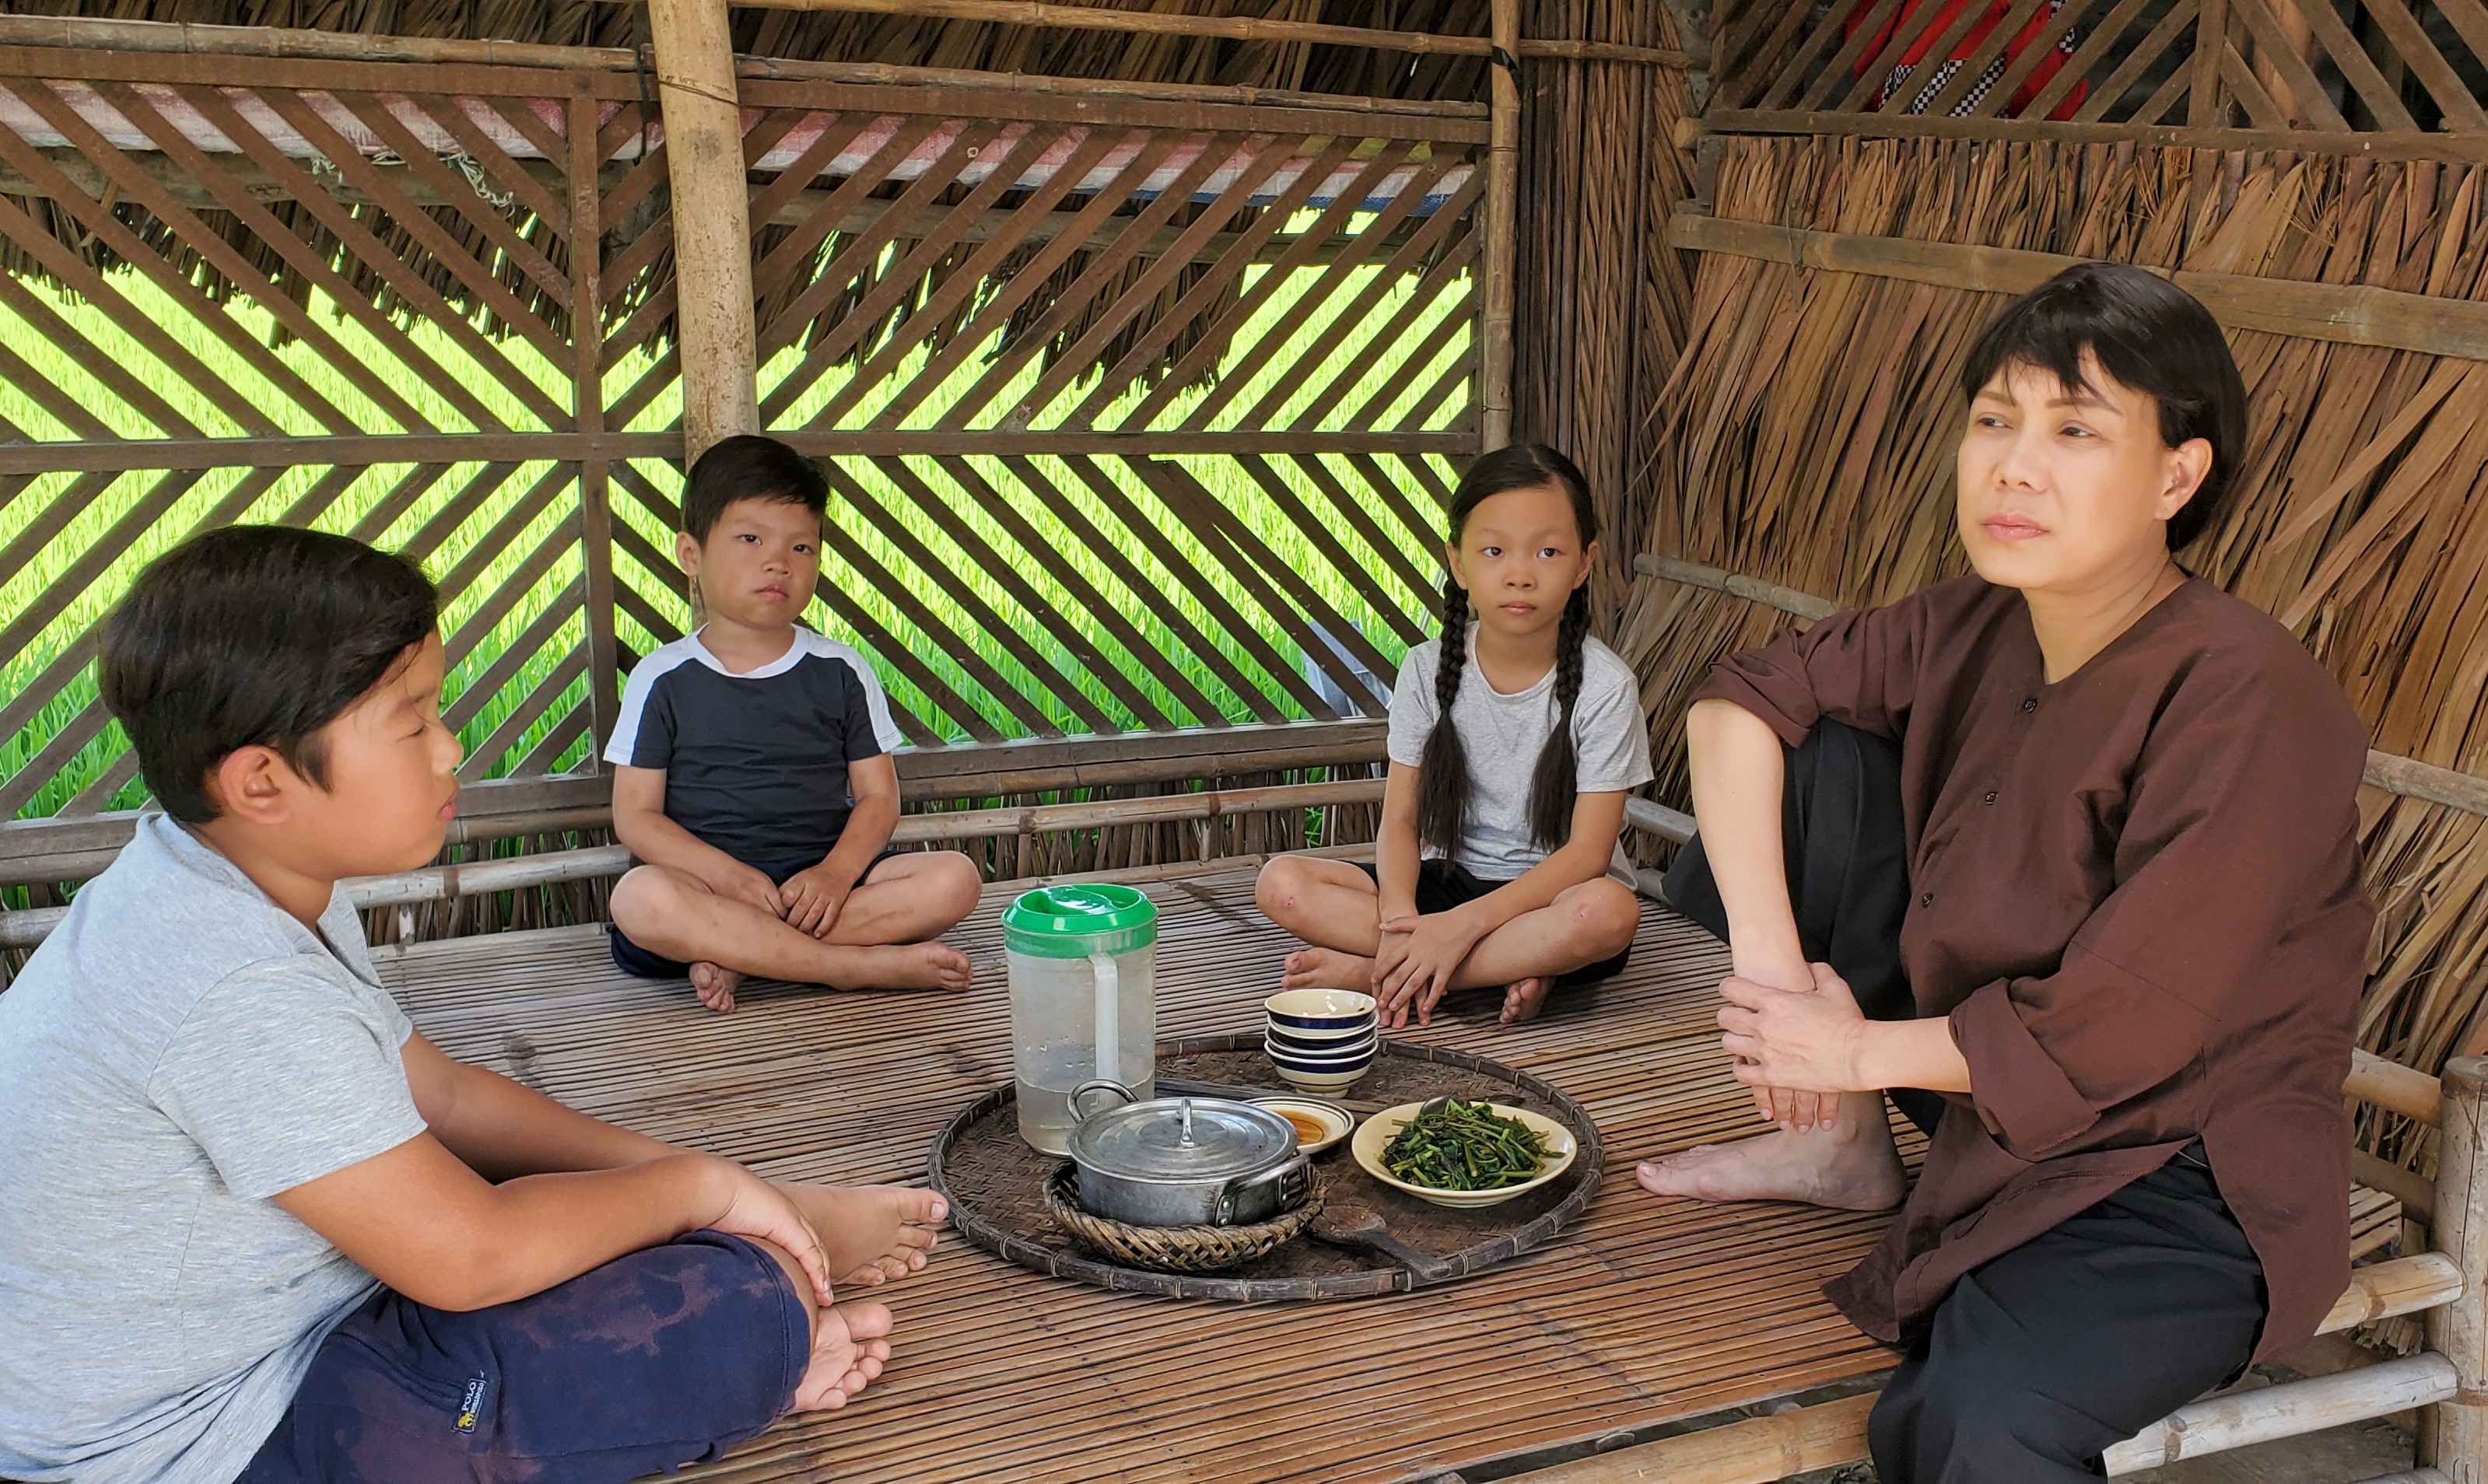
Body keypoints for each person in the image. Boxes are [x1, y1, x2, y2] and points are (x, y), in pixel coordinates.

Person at [0, 527, 948, 1484]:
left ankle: (765, 1296)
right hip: (194, 1436)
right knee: (743, 1298)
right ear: (262, 782)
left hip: (307, 1312)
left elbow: (444, 1098)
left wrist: (728, 1189)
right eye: (414, 723)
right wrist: (708, 1196)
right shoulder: (232, 984)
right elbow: (468, 1257)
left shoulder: (244, 881)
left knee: (679, 1244)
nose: (452, 745)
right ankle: (773, 1337)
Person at [1637, 264, 2374, 1481]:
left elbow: (2124, 1024)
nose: (2012, 468)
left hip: (2177, 1170)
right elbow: (1739, 700)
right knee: (1814, 753)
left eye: (2073, 431)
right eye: (1993, 420)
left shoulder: (2249, 694)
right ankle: (1841, 1149)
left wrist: (1849, 1051)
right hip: (1980, 1103)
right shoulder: (1975, 618)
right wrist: (1775, 980)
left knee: (1980, 1414)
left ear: (2175, 477)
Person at [1256, 444, 1649, 1028]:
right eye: (1494, 551)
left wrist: (1462, 927)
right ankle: (1499, 967)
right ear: (1459, 562)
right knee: (1282, 884)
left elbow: (1588, 856)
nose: (1520, 573)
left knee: (1608, 914)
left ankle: (1377, 973)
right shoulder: (1425, 668)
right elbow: (1401, 821)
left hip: (1549, 899)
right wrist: (1400, 920)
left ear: (1583, 564)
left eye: (1548, 551)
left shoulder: (1607, 687)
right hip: (1441, 884)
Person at [604, 434, 980, 1013]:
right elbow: (636, 816)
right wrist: (729, 879)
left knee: (955, 879)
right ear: (691, 554)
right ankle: (850, 968)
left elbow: (878, 797)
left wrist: (836, 874)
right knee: (640, 898)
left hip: (821, 892)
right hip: (707, 890)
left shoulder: (841, 670)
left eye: (802, 547)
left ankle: (743, 957)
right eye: (751, 539)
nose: (778, 562)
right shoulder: (662, 678)